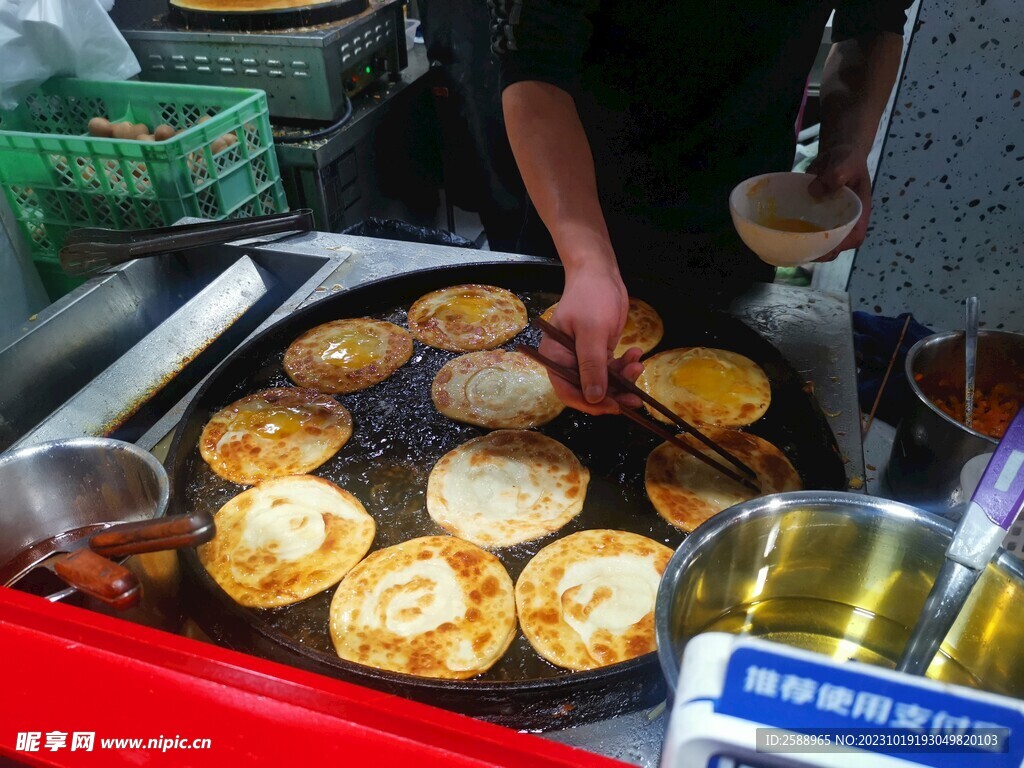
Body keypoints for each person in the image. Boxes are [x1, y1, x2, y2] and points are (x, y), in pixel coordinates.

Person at [488, 0, 912, 414]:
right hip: (581, 196)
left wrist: (847, 144)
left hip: (738, 213)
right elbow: (534, 63)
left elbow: (873, 21)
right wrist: (587, 260)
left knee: (721, 399)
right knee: (557, 389)